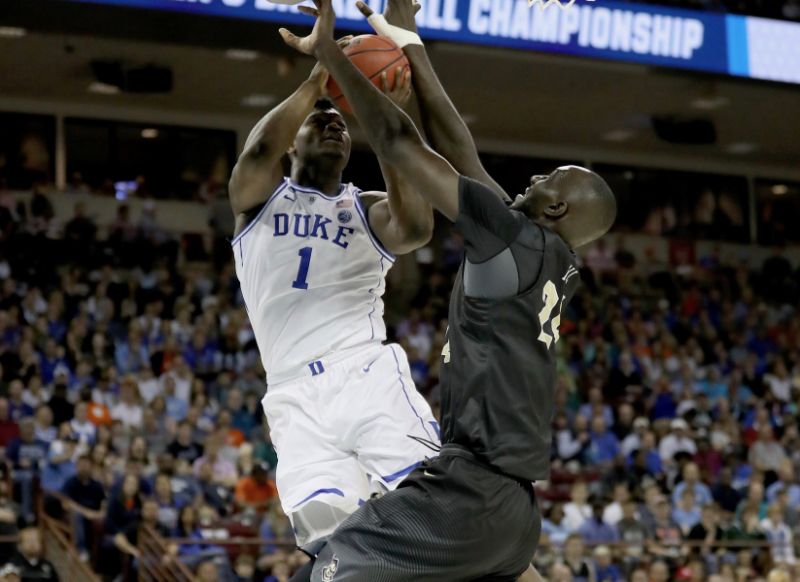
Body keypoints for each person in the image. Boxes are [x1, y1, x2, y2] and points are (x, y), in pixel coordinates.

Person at [279, 0, 616, 578]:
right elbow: (460, 154)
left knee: (331, 564)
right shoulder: (548, 258)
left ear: (555, 206)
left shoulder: (513, 239)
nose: (533, 178)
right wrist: (409, 41)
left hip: (472, 494)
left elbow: (398, 141)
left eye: (546, 179)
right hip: (512, 515)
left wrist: (331, 52)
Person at [228, 27, 439, 553]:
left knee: (435, 508)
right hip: (293, 396)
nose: (332, 125)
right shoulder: (258, 203)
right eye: (320, 119)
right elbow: (256, 151)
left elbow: (415, 228)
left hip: (363, 373)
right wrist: (319, 77)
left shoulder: (363, 206)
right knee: (333, 547)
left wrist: (379, 118)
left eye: (342, 123)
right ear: (294, 139)